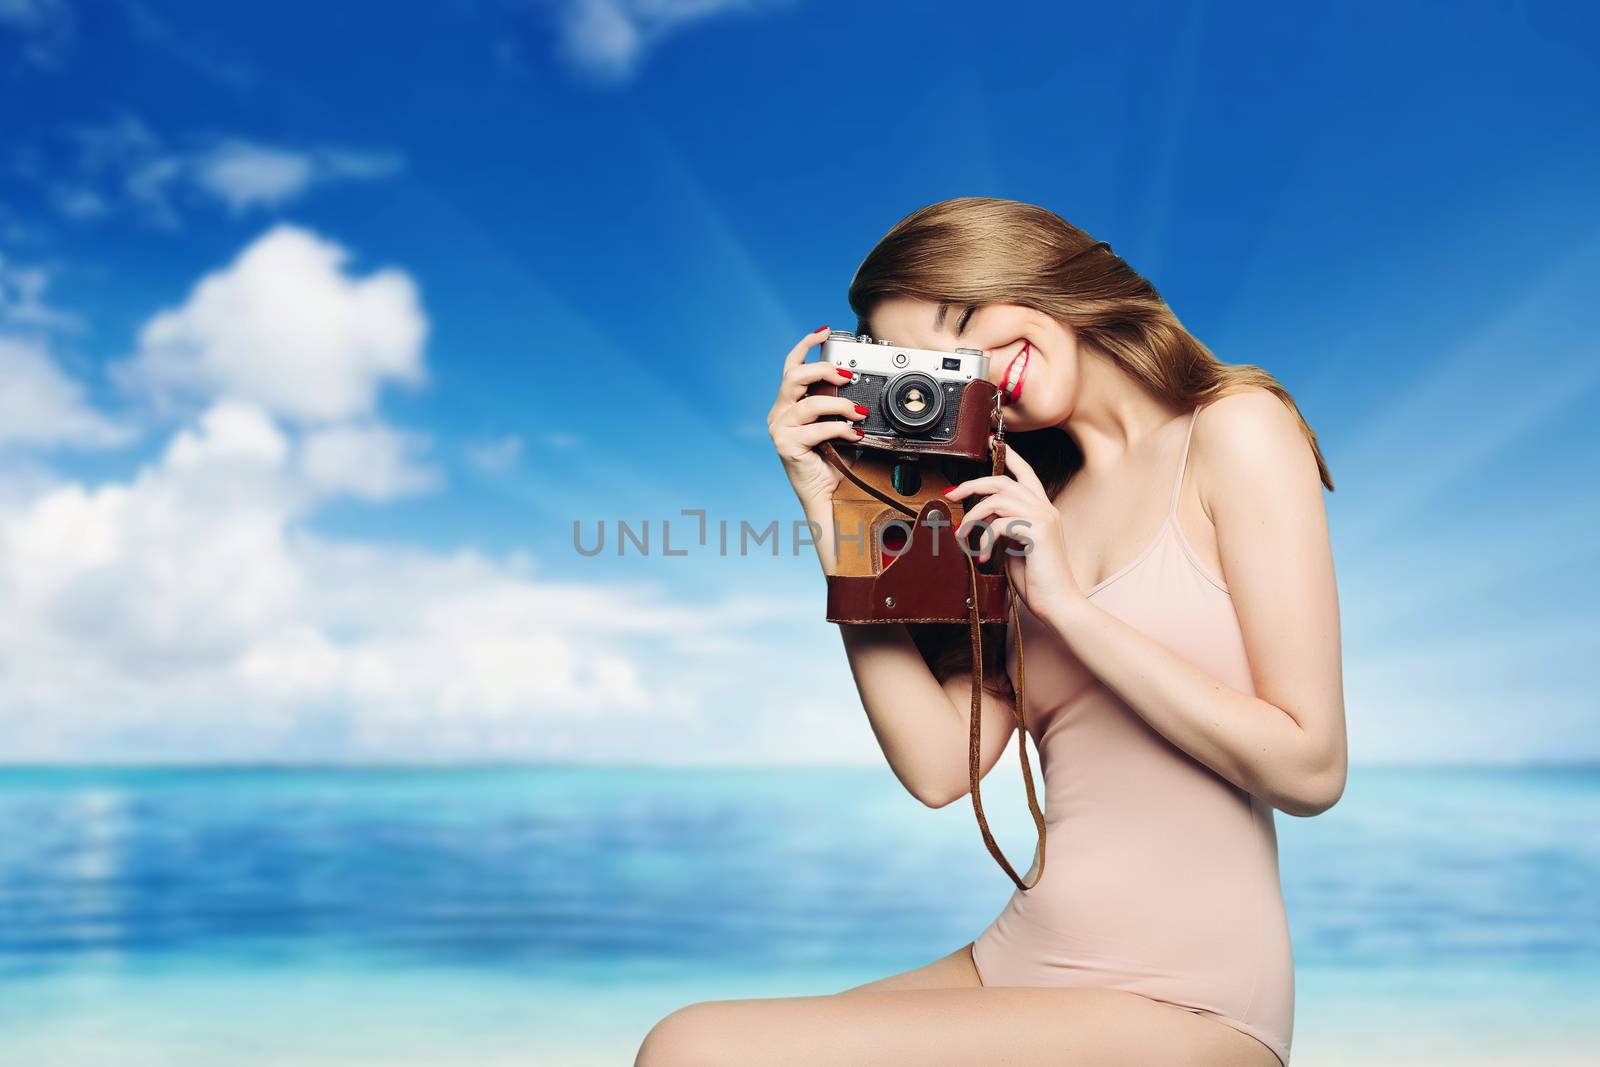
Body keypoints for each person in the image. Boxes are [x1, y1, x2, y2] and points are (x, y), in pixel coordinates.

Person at [636, 196, 1347, 1067]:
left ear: (1037, 272)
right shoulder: (1010, 510)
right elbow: (941, 768)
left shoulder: (1233, 430)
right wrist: (830, 512)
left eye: (965, 317)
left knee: (696, 1050)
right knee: (684, 1047)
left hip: (1187, 998)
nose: (973, 362)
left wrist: (1071, 610)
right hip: (1021, 961)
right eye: (940, 364)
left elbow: (1311, 768)